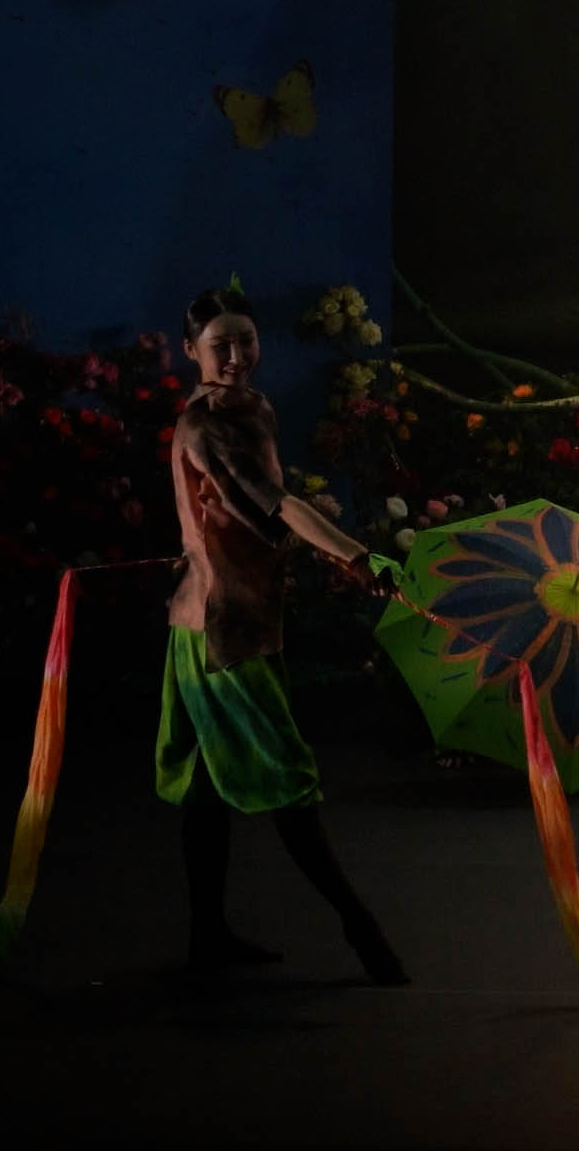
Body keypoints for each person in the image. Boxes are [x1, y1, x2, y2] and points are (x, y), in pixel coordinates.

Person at [160, 284, 408, 982]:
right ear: (190, 351)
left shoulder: (252, 409)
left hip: (221, 617)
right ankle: (360, 927)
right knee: (288, 781)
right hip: (220, 631)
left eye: (246, 341)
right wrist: (357, 556)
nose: (237, 357)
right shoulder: (209, 426)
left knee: (208, 791)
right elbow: (280, 505)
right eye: (220, 346)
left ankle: (207, 936)